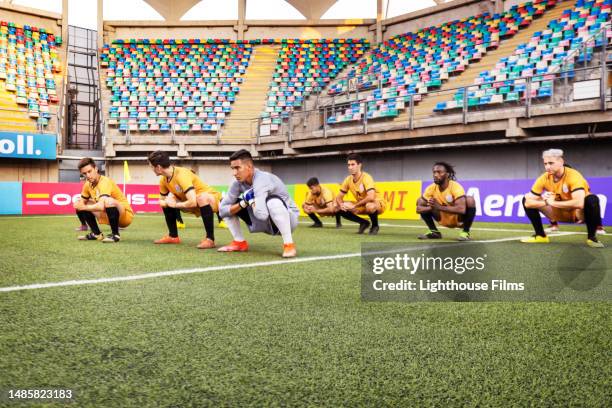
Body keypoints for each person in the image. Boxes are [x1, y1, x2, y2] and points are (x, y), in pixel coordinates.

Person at [218, 149, 299, 258]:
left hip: (288, 221)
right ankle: (239, 242)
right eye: (232, 168)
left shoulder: (262, 179)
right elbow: (222, 211)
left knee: (273, 202)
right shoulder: (237, 183)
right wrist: (243, 203)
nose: (234, 173)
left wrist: (250, 200)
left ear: (249, 167)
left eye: (237, 168)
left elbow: (262, 215)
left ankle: (289, 244)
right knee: (225, 203)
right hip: (263, 222)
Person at [522, 149, 604, 248]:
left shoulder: (574, 176)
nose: (547, 167)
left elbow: (579, 203)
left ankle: (592, 238)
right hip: (557, 213)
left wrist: (552, 202)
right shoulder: (544, 178)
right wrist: (546, 201)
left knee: (592, 199)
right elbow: (528, 202)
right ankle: (540, 236)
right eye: (545, 164)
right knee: (525, 199)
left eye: (551, 163)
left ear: (561, 161)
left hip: (577, 214)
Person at [147, 150, 222, 249]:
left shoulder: (181, 175)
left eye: (151, 166)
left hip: (213, 200)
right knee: (169, 200)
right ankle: (173, 236)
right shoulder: (163, 180)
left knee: (200, 198)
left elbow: (192, 201)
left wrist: (174, 204)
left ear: (159, 167)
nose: (151, 168)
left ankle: (210, 239)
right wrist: (166, 202)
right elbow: (161, 200)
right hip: (194, 204)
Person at [73, 157, 134, 243]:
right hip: (108, 215)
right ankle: (96, 234)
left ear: (96, 169)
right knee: (80, 202)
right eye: (84, 173)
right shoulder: (87, 185)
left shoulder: (105, 181)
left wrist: (83, 207)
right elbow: (81, 204)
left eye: (89, 171)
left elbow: (101, 206)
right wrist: (79, 205)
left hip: (124, 217)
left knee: (108, 201)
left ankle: (115, 235)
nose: (88, 176)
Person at [416, 162, 476, 241]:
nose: (435, 175)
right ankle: (434, 232)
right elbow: (418, 209)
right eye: (434, 172)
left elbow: (461, 209)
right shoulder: (431, 188)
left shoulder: (455, 187)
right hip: (441, 218)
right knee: (419, 200)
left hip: (458, 220)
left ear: (447, 174)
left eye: (439, 172)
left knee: (470, 200)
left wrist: (439, 207)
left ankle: (465, 233)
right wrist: (432, 208)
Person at [335, 153, 386, 235]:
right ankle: (363, 223)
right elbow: (338, 197)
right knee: (337, 207)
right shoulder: (348, 179)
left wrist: (354, 206)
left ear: (359, 165)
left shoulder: (366, 177)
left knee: (369, 206)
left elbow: (371, 197)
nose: (350, 167)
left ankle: (375, 226)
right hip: (362, 205)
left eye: (353, 164)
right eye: (348, 165)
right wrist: (341, 205)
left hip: (377, 204)